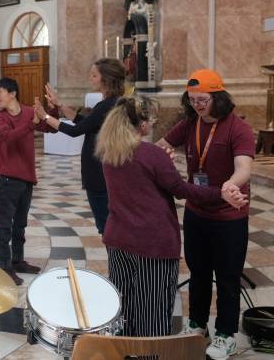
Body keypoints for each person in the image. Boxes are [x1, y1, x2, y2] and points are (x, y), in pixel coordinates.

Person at [95, 96, 247, 338]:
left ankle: (124, 349)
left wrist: (162, 163)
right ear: (142, 125)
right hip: (152, 243)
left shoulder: (109, 151)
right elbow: (182, 190)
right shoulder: (150, 154)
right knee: (153, 310)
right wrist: (221, 193)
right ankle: (151, 355)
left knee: (123, 306)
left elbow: (141, 179)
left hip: (118, 240)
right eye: (151, 119)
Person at [156, 69, 254, 359]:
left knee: (227, 277)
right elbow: (161, 147)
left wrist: (230, 185)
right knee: (198, 273)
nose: (198, 105)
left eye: (203, 99)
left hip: (229, 216)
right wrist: (165, 155)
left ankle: (226, 334)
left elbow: (244, 169)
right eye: (192, 99)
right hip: (197, 211)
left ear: (218, 97)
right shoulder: (189, 125)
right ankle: (198, 325)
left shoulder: (237, 128)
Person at [34, 58, 125, 235]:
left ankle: (116, 262)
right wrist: (59, 105)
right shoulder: (114, 102)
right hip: (104, 173)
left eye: (94, 75)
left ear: (105, 78)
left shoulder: (107, 105)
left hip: (99, 175)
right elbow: (85, 123)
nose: (90, 78)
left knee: (106, 228)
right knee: (108, 227)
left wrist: (45, 116)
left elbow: (76, 131)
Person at [0, 77, 54, 285]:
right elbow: (9, 137)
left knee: (20, 224)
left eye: (0, 92)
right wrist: (32, 124)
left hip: (27, 179)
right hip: (8, 180)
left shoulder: (29, 112)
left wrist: (51, 110)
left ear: (12, 93)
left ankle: (18, 260)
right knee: (5, 226)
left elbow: (51, 128)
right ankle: (5, 266)